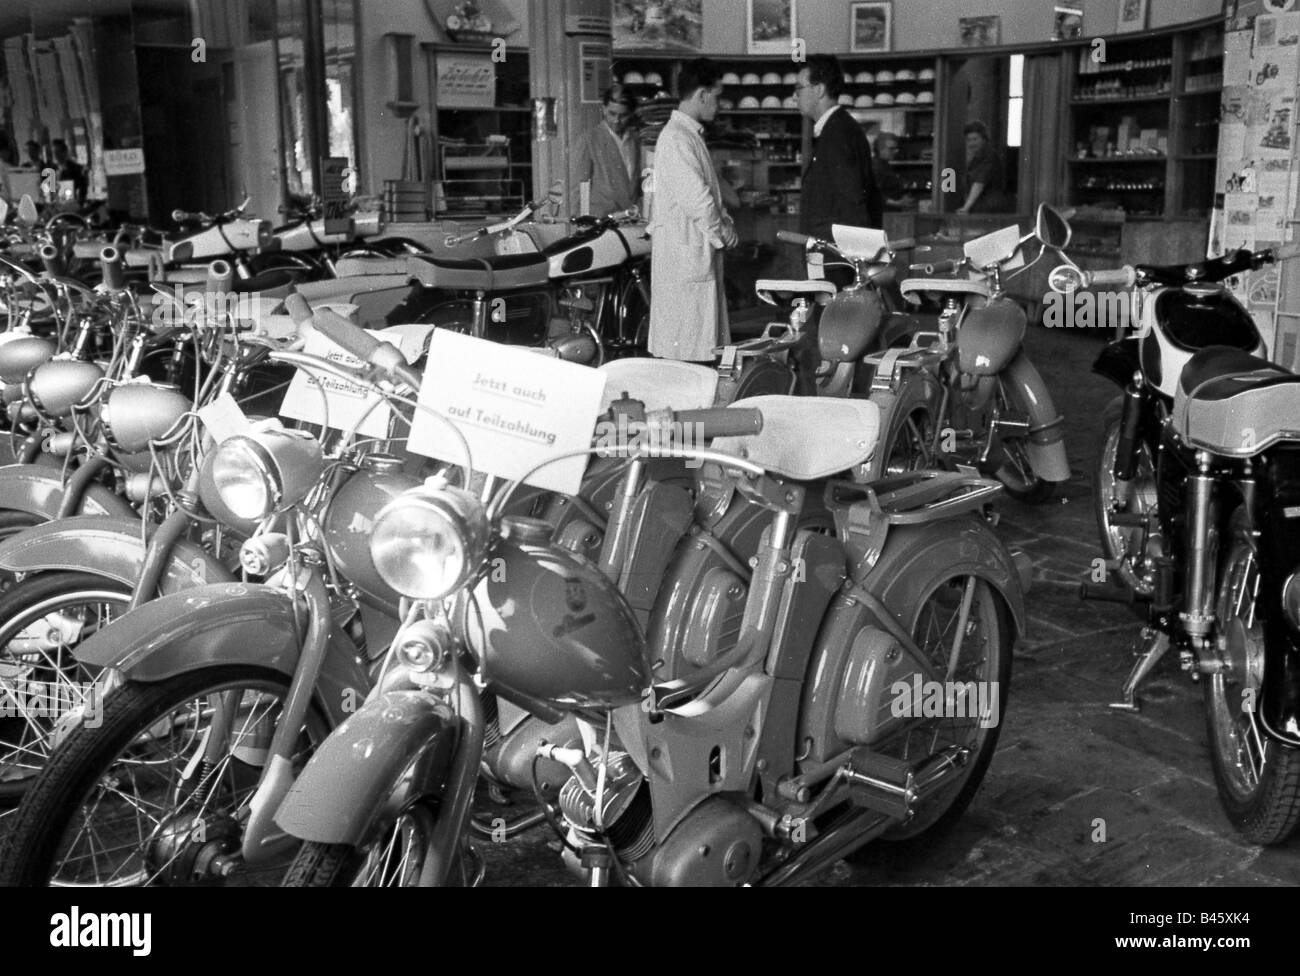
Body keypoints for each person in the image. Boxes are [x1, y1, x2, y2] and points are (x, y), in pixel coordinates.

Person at [645, 57, 737, 363]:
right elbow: (699, 202)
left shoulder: (686, 135)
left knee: (697, 351)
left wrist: (723, 223)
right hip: (685, 265)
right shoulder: (675, 138)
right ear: (701, 94)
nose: (720, 104)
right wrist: (724, 231)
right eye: (718, 95)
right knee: (686, 359)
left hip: (692, 259)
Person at [795, 54, 883, 242]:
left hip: (837, 258)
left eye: (799, 88)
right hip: (831, 253)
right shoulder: (837, 128)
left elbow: (852, 202)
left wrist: (861, 257)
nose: (795, 97)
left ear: (819, 90)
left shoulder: (838, 133)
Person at [572, 86, 641, 218]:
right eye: (612, 114)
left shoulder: (636, 140)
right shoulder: (590, 139)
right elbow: (578, 188)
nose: (617, 121)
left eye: (623, 115)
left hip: (629, 221)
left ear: (631, 113)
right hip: (600, 223)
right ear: (603, 109)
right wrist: (581, 223)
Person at [957, 120, 1007, 214]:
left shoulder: (989, 157)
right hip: (978, 208)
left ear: (984, 139)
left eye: (975, 139)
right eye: (968, 140)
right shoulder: (975, 160)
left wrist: (966, 208)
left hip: (989, 209)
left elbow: (979, 183)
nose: (971, 143)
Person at [873, 132, 911, 209]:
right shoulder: (876, 167)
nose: (896, 151)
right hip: (884, 215)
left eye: (896, 148)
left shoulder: (885, 165)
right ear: (880, 149)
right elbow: (873, 192)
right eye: (891, 149)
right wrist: (896, 203)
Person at [51, 139, 87, 204]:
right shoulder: (51, 170)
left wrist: (78, 204)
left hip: (71, 205)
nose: (56, 155)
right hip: (55, 205)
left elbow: (82, 190)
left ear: (65, 152)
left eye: (58, 152)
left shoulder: (76, 169)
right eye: (54, 152)